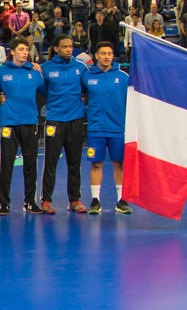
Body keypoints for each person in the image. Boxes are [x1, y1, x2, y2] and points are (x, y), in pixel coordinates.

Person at [0, 37, 46, 215]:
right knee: (6, 164)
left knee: (30, 164)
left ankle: (29, 202)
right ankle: (4, 203)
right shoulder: (1, 73)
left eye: (26, 50)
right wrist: (0, 98)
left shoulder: (35, 72)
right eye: (21, 49)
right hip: (9, 122)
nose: (25, 53)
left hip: (30, 122)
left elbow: (47, 92)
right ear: (13, 52)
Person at [38, 34, 88, 213]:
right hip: (55, 120)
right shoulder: (46, 68)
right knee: (50, 162)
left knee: (75, 162)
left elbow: (87, 88)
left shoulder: (80, 67)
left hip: (76, 119)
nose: (69, 49)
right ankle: (46, 200)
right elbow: (43, 90)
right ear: (56, 49)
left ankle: (74, 200)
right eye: (65, 46)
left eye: (70, 46)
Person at [81, 41, 131, 215]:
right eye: (103, 53)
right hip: (96, 129)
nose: (106, 56)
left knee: (119, 164)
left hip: (118, 129)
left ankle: (121, 200)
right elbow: (79, 96)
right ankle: (95, 200)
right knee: (96, 164)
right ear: (96, 56)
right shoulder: (87, 76)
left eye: (109, 53)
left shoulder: (123, 77)